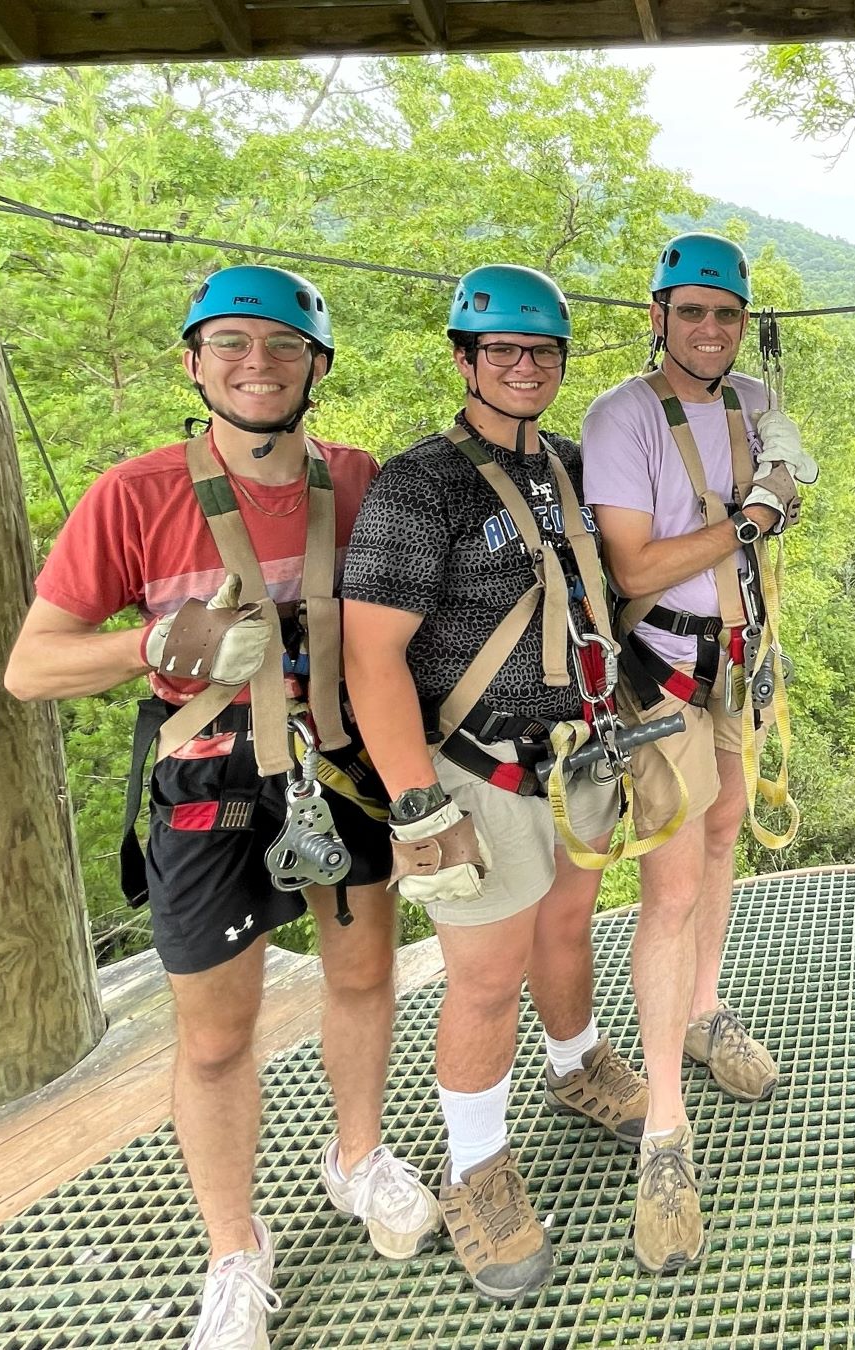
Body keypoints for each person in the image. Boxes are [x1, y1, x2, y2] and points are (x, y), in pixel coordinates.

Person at [4, 265, 439, 1350]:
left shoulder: (357, 478)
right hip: (208, 780)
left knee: (364, 975)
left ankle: (356, 1155)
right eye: (232, 344)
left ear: (317, 368)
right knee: (213, 1037)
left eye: (283, 348)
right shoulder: (136, 495)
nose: (258, 365)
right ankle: (233, 1247)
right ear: (194, 363)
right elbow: (32, 666)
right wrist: (150, 644)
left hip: (337, 769)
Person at [340, 264, 651, 1301]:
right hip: (471, 766)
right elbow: (370, 654)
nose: (525, 368)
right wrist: (416, 804)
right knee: (484, 973)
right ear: (466, 360)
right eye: (504, 352)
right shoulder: (419, 484)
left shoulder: (567, 467)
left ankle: (576, 1064)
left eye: (543, 353)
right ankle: (476, 1169)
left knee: (567, 928)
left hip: (576, 755)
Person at [581, 231, 814, 1274]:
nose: (710, 330)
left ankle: (702, 1012)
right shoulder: (621, 417)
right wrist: (755, 512)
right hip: (661, 665)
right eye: (693, 313)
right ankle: (664, 1138)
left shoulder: (755, 400)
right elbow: (634, 558)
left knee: (722, 835)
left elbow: (787, 478)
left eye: (725, 314)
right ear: (659, 317)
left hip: (735, 656)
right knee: (669, 887)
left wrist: (783, 480)